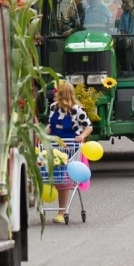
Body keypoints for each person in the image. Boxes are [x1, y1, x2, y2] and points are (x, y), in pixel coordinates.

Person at [46, 80, 93, 223]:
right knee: (53, 176)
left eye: (56, 91)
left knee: (63, 178)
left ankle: (61, 211)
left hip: (70, 147)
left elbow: (88, 126)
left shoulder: (77, 109)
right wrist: (42, 134)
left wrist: (82, 136)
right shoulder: (53, 107)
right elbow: (50, 126)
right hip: (54, 146)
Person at [115, 0, 134, 74]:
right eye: (124, 2)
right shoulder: (124, 15)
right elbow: (122, 30)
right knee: (119, 46)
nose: (125, 4)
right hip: (127, 38)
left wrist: (131, 39)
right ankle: (124, 69)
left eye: (127, 2)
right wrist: (126, 38)